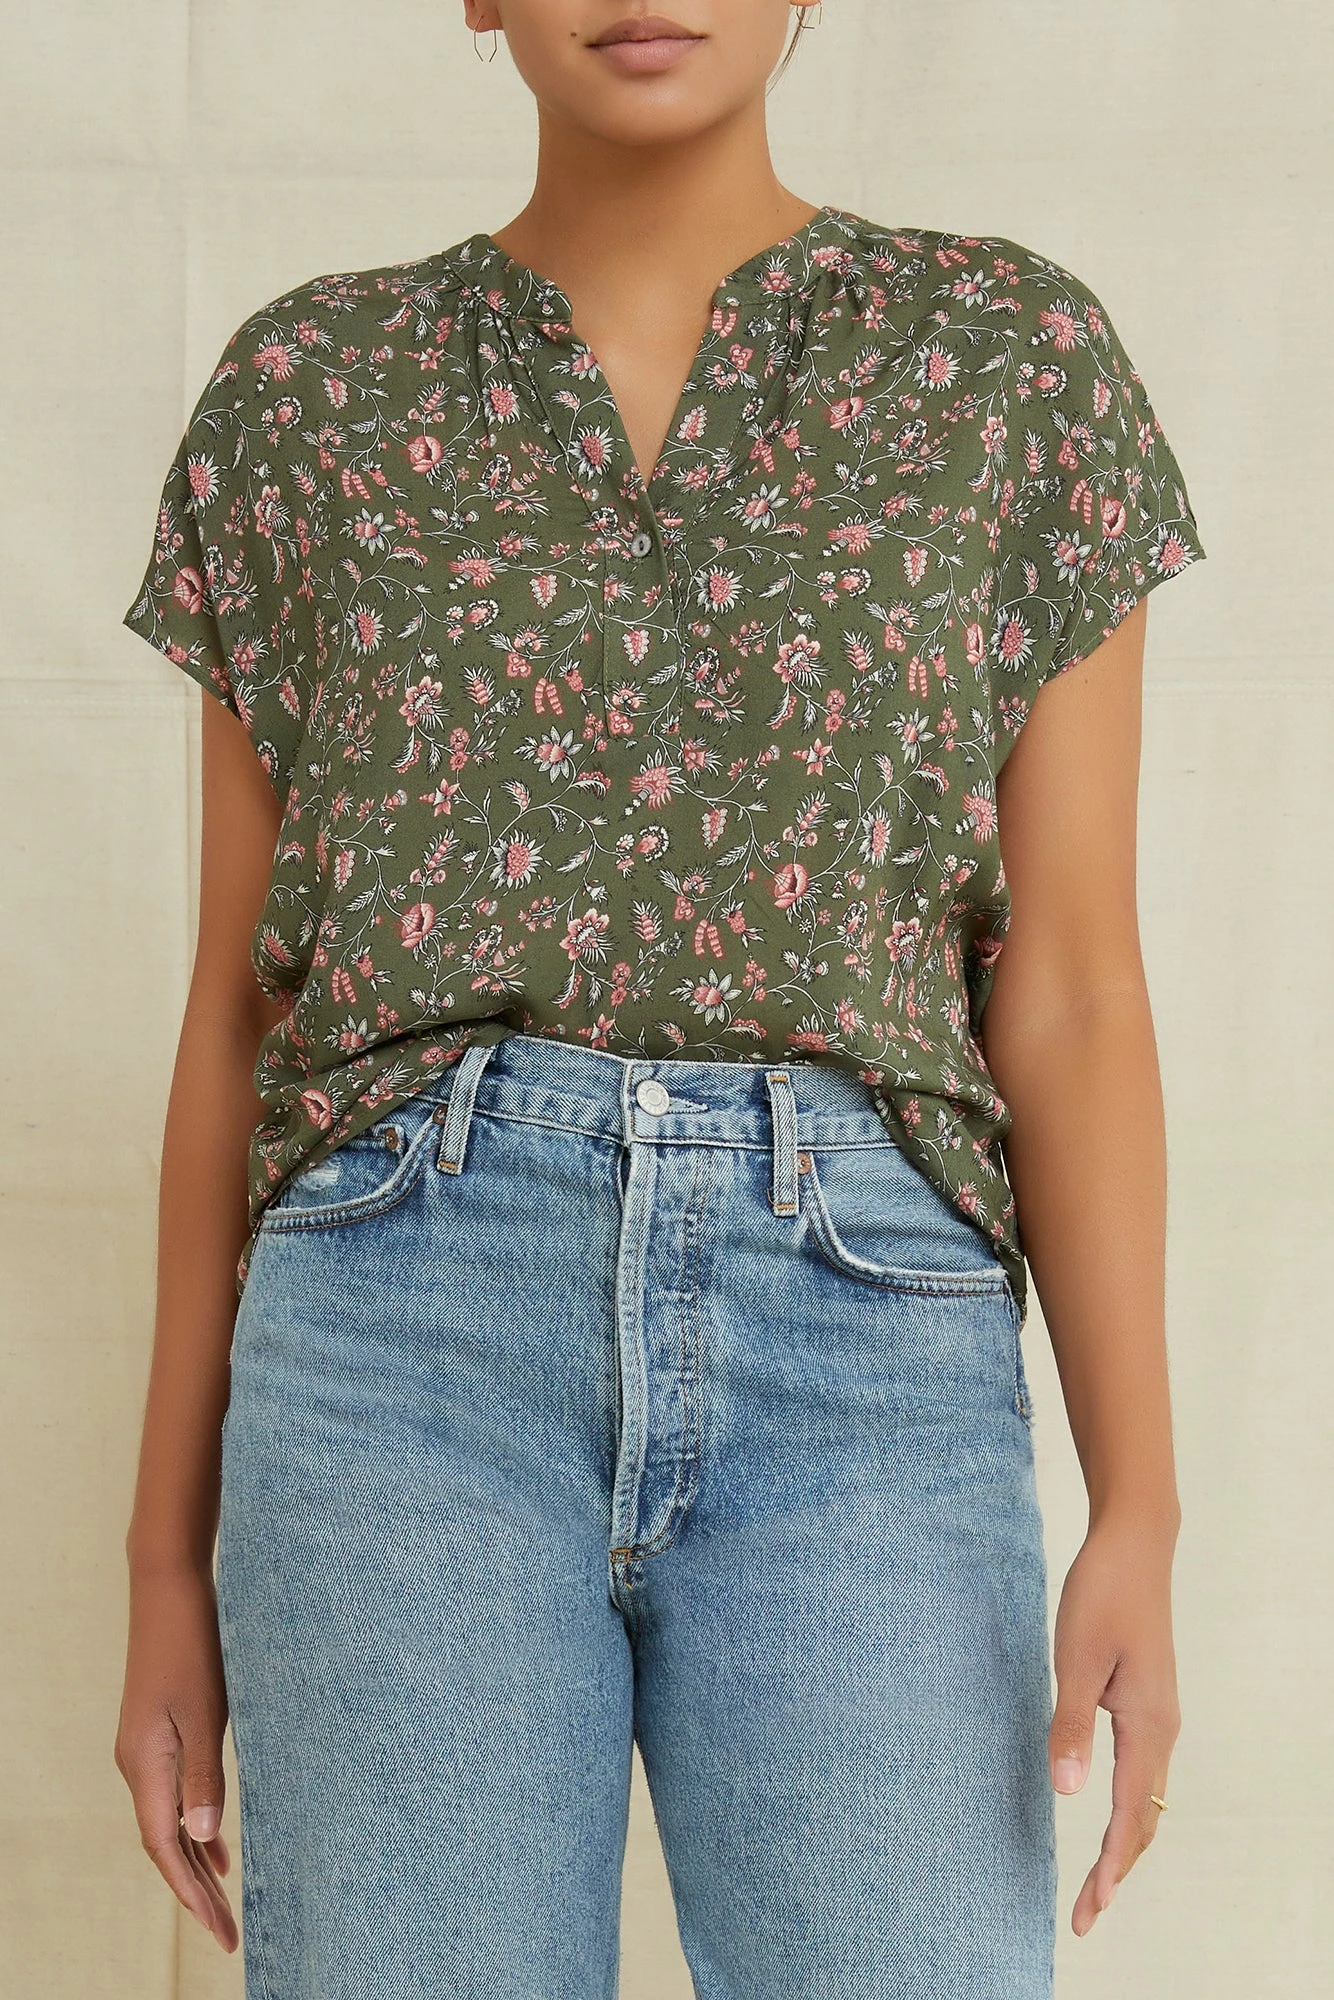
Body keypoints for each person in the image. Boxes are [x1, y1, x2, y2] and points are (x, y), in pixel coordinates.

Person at [112, 3, 1206, 1994]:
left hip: (867, 1347)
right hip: (396, 1347)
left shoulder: (1003, 361)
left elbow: (1067, 986)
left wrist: (1138, 1502)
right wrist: (158, 1559)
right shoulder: (309, 391)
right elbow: (237, 1010)